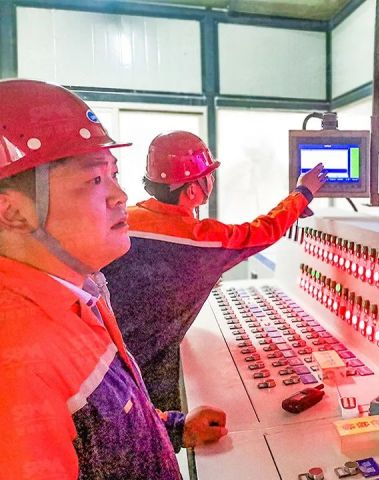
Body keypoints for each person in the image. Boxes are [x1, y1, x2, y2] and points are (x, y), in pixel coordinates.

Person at [0, 80, 227, 480]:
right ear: (13, 213)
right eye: (94, 180)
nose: (120, 196)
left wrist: (175, 428)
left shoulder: (81, 293)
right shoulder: (17, 365)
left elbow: (106, 426)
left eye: (114, 174)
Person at [102, 130, 326, 411]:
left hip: (104, 363)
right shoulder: (198, 238)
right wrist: (303, 193)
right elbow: (261, 232)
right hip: (144, 372)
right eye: (208, 176)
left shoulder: (125, 219)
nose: (212, 181)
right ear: (192, 190)